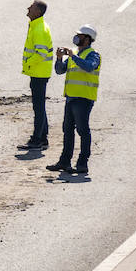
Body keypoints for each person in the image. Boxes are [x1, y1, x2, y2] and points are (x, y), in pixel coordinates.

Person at [46, 25, 101, 177]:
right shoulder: (74, 53)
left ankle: (82, 163)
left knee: (82, 130)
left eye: (80, 35)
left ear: (87, 39)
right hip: (71, 97)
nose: (77, 38)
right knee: (67, 130)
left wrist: (73, 56)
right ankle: (65, 161)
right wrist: (59, 58)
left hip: (84, 98)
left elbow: (89, 67)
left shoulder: (93, 54)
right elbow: (59, 70)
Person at [20, 0, 54, 150]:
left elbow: (41, 53)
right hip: (39, 72)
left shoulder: (39, 29)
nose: (28, 8)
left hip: (39, 73)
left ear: (38, 12)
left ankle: (37, 140)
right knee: (39, 106)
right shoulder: (37, 26)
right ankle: (43, 138)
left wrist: (28, 63)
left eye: (31, 7)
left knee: (38, 107)